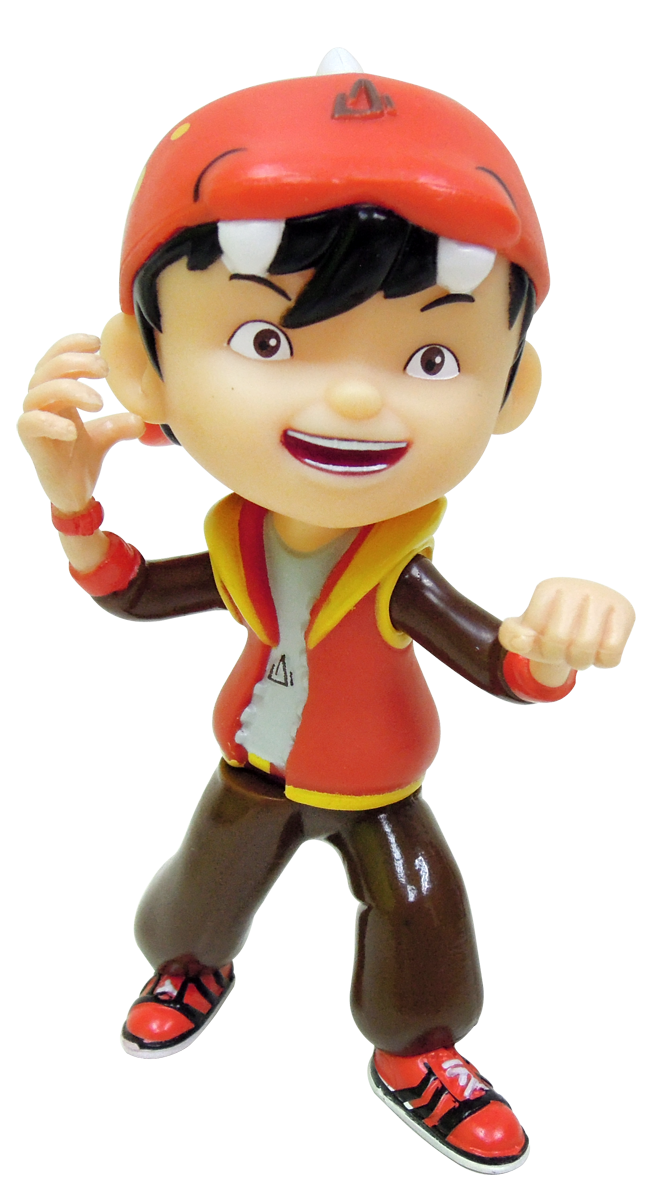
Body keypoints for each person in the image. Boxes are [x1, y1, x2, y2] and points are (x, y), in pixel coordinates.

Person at [19, 72, 634, 1173]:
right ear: (142, 370)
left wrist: (556, 641)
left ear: (510, 393)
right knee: (196, 895)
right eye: (267, 342)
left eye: (432, 360)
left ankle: (418, 1051)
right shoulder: (239, 540)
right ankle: (189, 965)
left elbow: (499, 665)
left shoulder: (397, 572)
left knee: (421, 913)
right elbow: (129, 594)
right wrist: (71, 501)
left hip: (373, 783)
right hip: (254, 762)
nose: (354, 400)